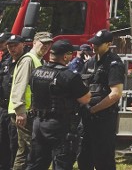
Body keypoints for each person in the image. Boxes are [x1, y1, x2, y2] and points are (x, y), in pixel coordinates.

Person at [27, 39, 90, 170]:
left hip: (38, 123)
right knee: (62, 163)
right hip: (59, 124)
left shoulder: (36, 72)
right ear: (65, 56)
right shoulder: (69, 76)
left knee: (36, 163)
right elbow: (85, 99)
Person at [78, 29, 125, 170]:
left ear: (108, 44)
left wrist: (93, 109)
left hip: (104, 118)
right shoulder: (90, 63)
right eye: (93, 43)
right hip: (87, 117)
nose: (94, 46)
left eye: (98, 43)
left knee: (103, 159)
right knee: (84, 157)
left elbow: (115, 94)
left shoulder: (114, 63)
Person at [10, 31, 52, 170]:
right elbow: (19, 85)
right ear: (34, 42)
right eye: (43, 43)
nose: (46, 46)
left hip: (28, 112)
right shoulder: (29, 59)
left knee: (24, 151)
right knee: (33, 150)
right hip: (24, 113)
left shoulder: (38, 59)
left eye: (48, 43)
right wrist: (20, 111)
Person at [0, 33, 18, 170]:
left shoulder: (20, 60)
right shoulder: (5, 61)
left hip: (14, 109)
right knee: (3, 141)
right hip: (3, 108)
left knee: (14, 143)